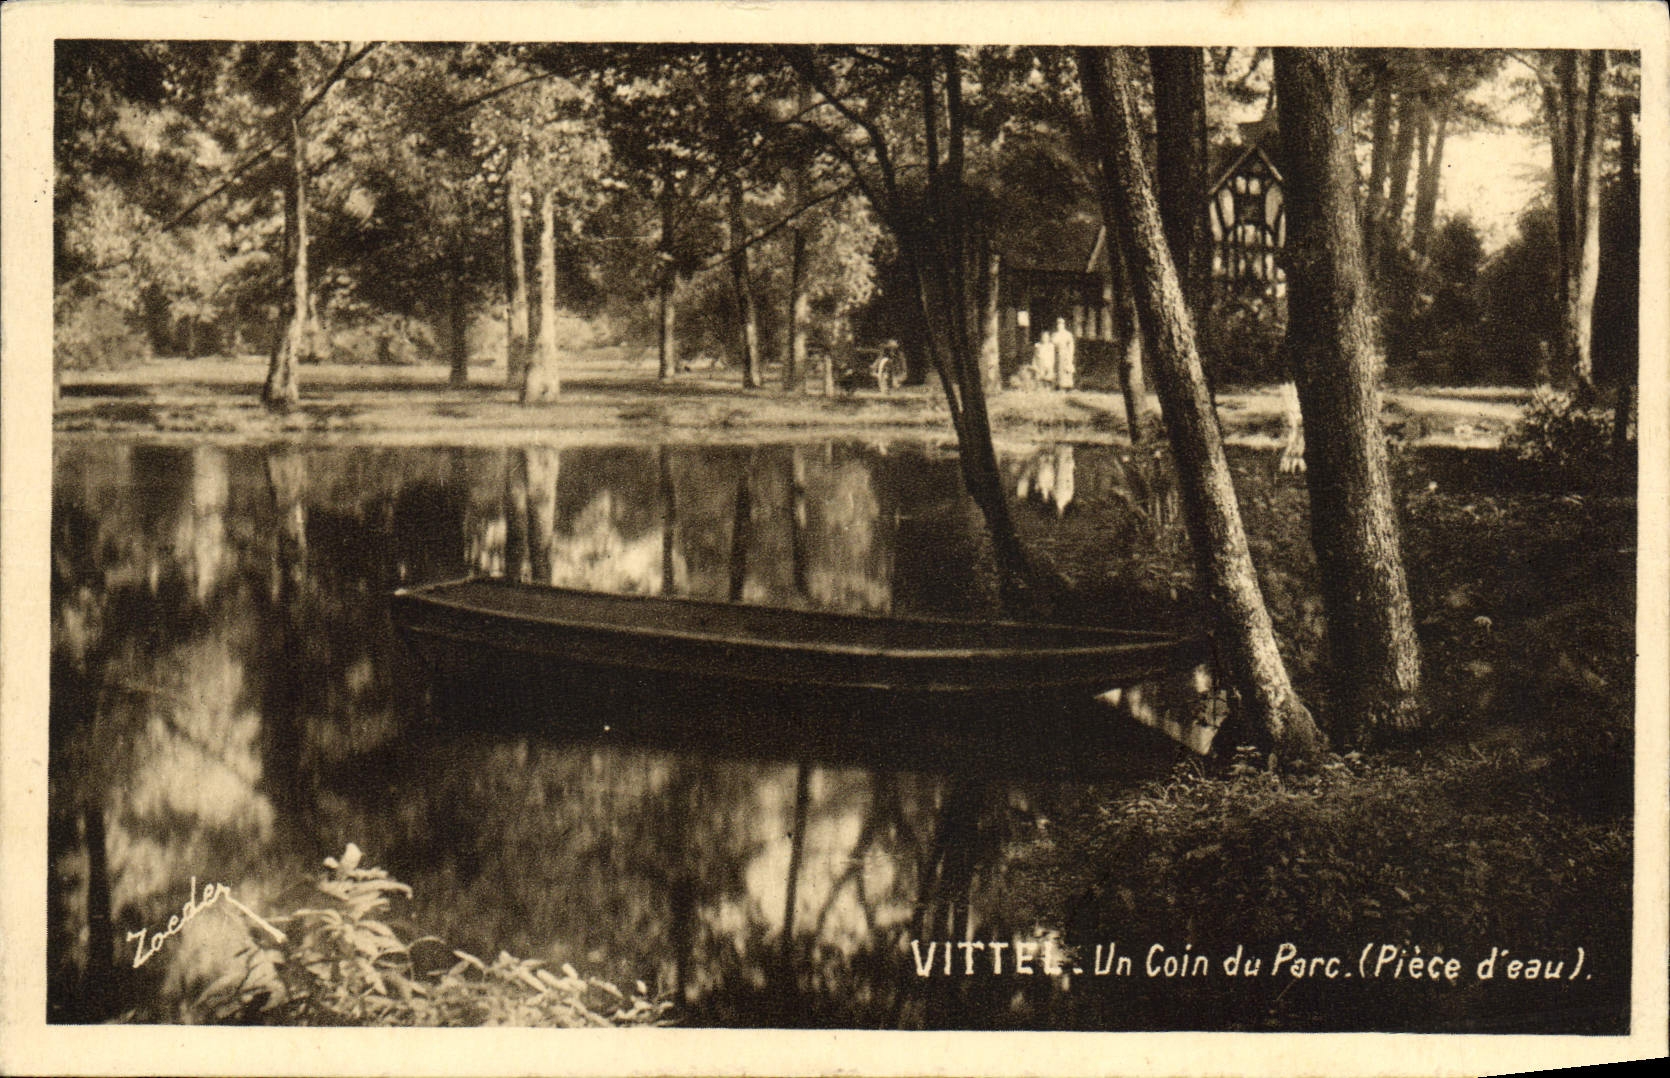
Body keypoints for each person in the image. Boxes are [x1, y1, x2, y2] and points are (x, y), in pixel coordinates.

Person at [1051, 317, 1076, 391]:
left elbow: (1071, 346)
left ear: (1064, 325)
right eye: (1058, 324)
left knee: (1066, 370)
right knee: (1058, 369)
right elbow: (1052, 345)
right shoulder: (1054, 334)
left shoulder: (1068, 334)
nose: (1059, 326)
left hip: (1065, 354)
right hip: (1056, 354)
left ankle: (1067, 387)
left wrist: (1070, 356)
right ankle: (1058, 385)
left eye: (1061, 324)